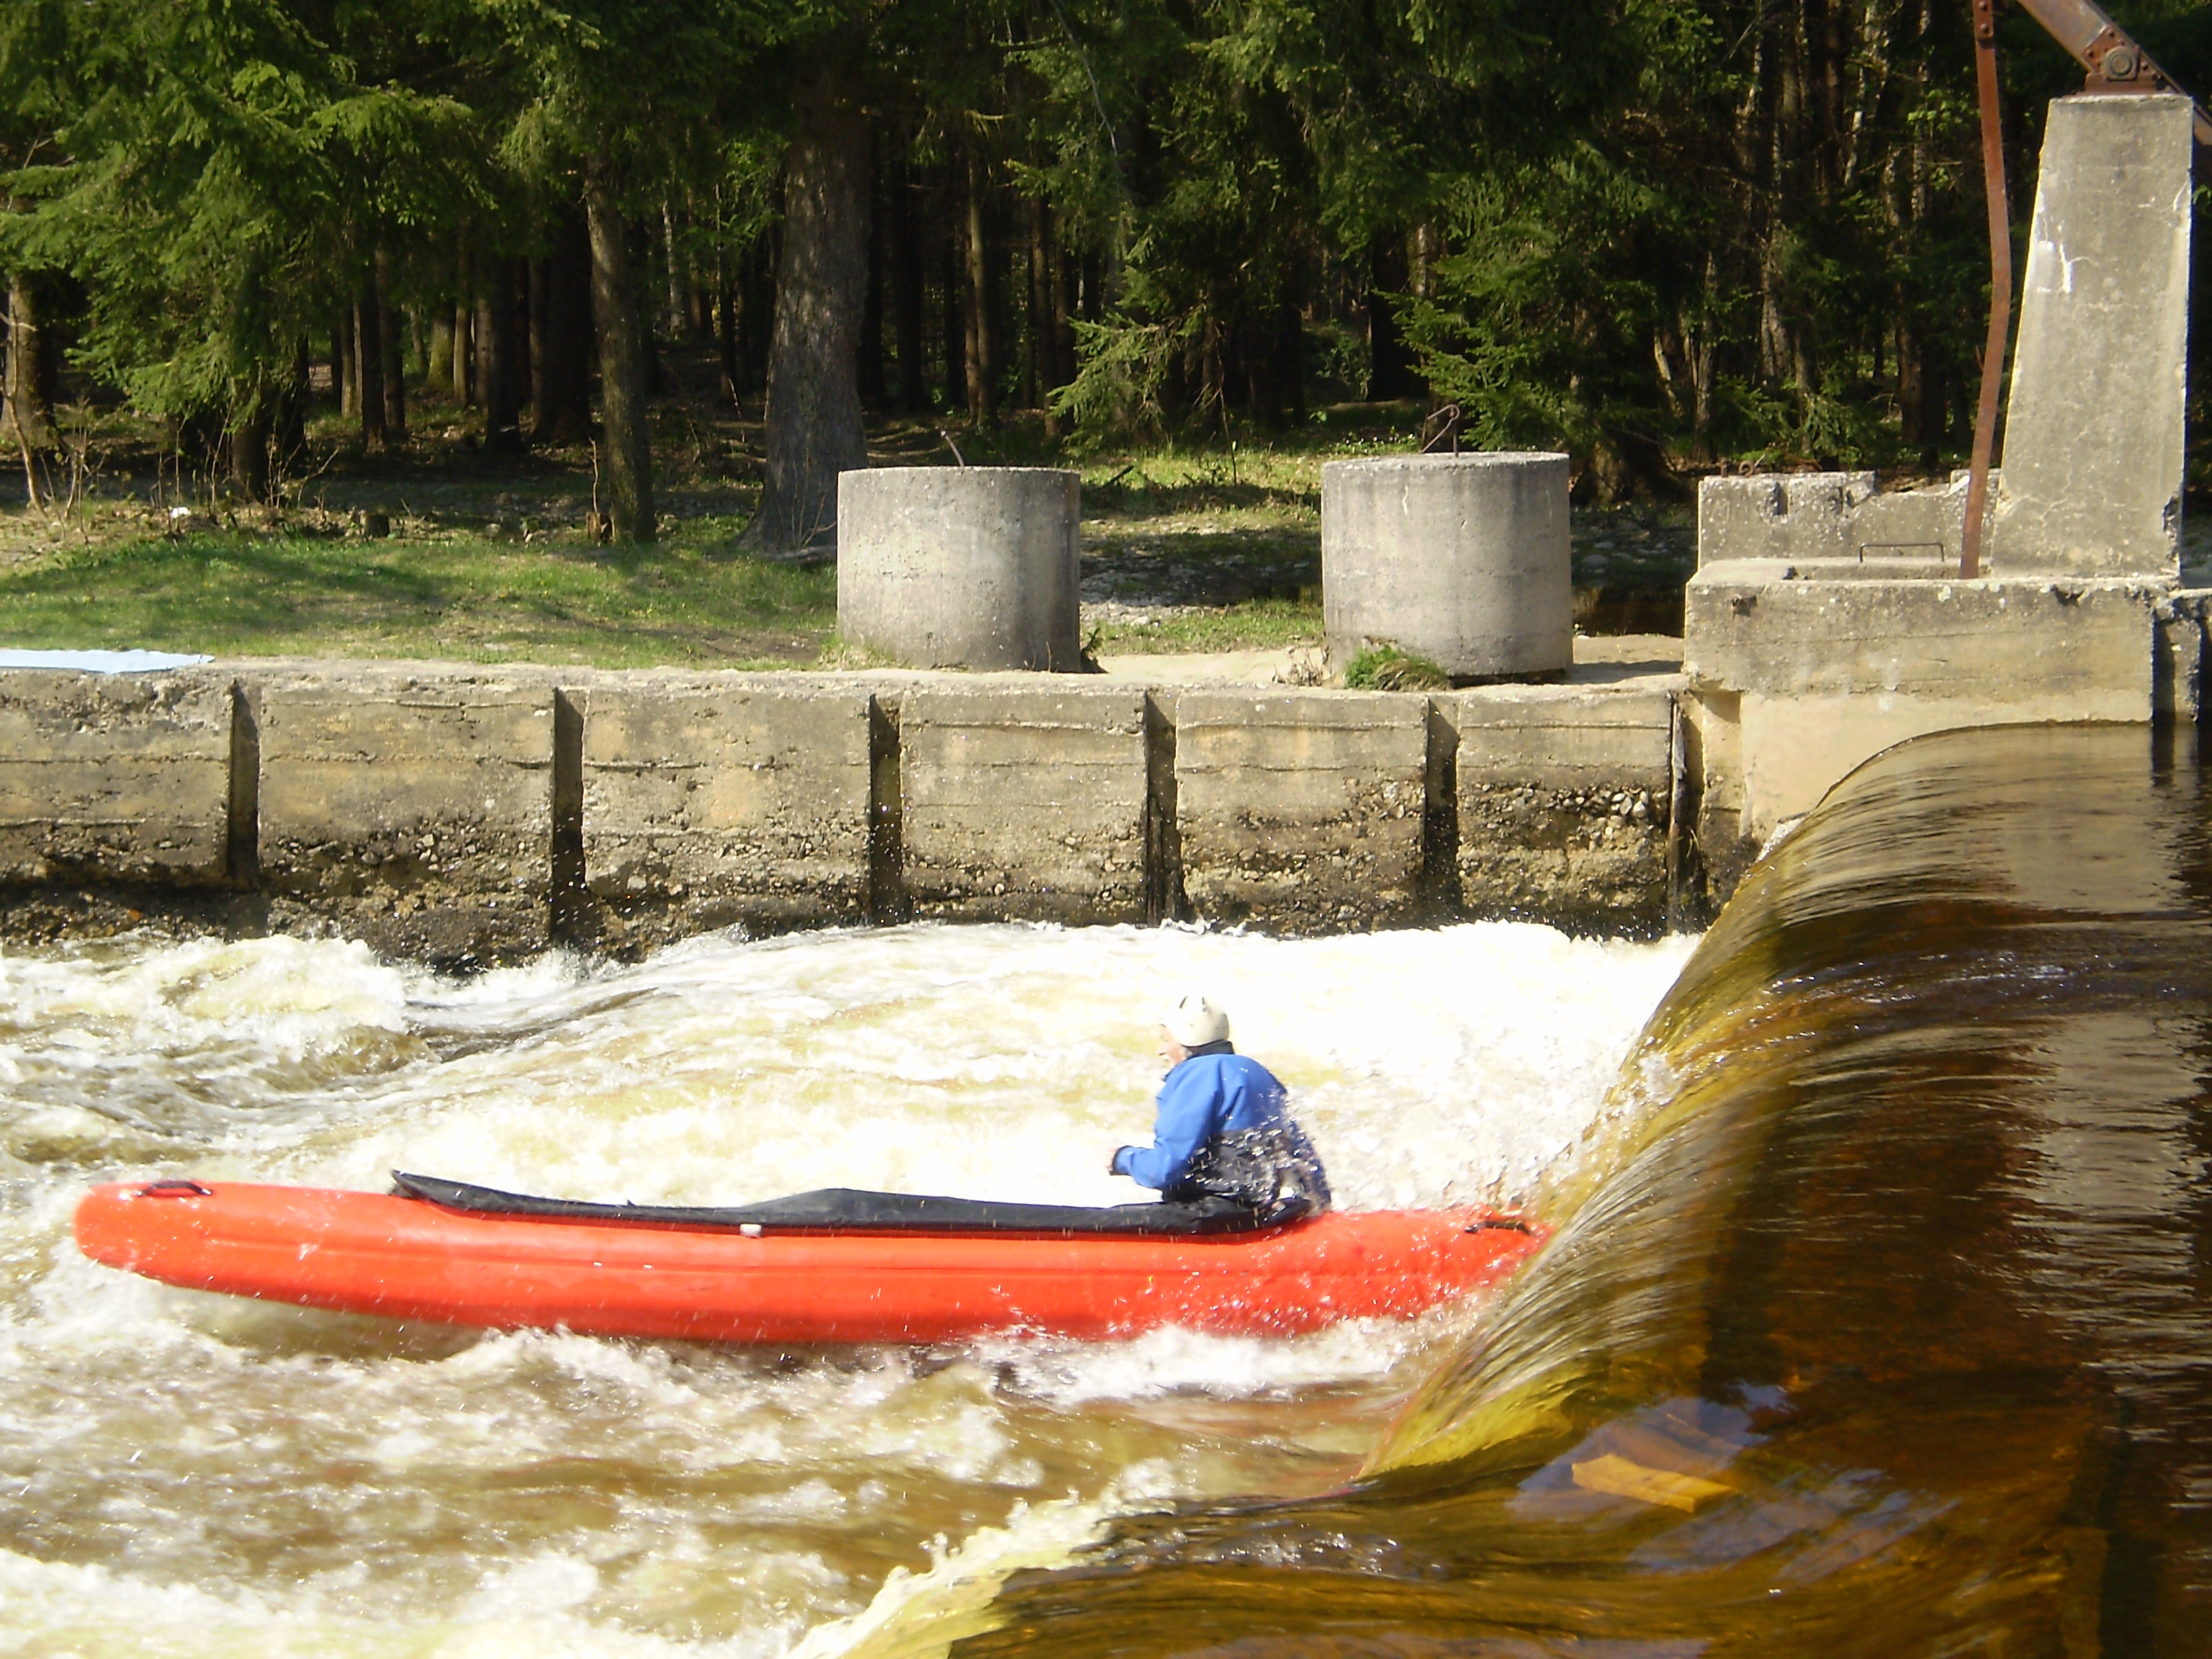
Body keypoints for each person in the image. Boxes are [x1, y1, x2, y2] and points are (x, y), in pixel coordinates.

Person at [1108, 992, 1331, 1223]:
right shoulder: (1257, 1072)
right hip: (1260, 1212)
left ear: (1188, 1040)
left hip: (1213, 1216)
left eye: (1166, 1039)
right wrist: (1321, 1208)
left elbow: (1164, 1169)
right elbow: (1302, 1155)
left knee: (1101, 1220)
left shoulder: (1195, 1076)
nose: (1160, 1050)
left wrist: (1123, 1158)